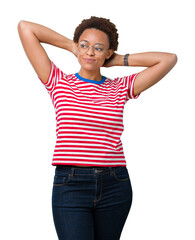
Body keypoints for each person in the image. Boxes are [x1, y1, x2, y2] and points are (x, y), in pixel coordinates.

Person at [17, 16, 177, 240]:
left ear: (108, 52)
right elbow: (26, 28)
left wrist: (118, 60)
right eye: (84, 45)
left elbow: (168, 59)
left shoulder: (120, 87)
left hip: (115, 183)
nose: (90, 53)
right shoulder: (58, 81)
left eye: (98, 48)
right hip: (70, 184)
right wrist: (72, 46)